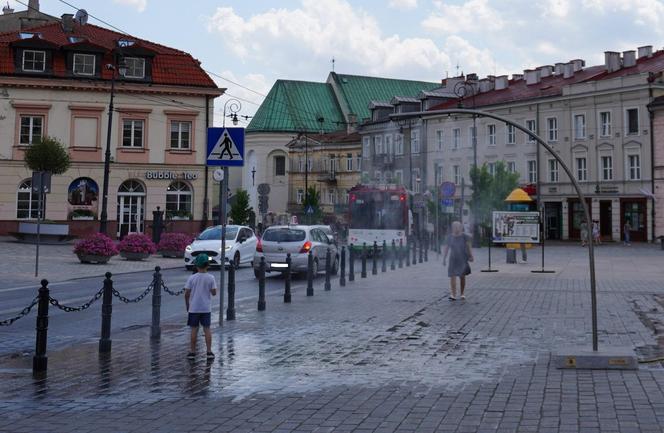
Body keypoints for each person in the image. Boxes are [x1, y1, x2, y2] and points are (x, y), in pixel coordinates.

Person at [184, 253, 217, 360]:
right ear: (207, 265)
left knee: (194, 329)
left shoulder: (192, 278)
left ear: (196, 265)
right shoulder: (211, 278)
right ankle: (209, 351)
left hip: (194, 307)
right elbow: (214, 293)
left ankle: (192, 352)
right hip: (206, 308)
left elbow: (187, 293)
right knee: (207, 329)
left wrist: (187, 305)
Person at [443, 221, 473, 301]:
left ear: (461, 227)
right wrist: (444, 258)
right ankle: (453, 294)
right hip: (453, 258)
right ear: (452, 228)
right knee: (452, 276)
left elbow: (469, 247)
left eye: (458, 226)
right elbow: (446, 248)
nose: (456, 228)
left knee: (462, 276)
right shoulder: (449, 237)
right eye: (454, 226)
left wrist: (471, 256)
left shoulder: (465, 236)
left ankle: (462, 293)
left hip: (462, 258)